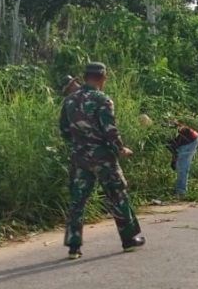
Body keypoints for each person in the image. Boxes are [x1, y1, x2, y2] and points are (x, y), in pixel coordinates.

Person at [59, 62, 145, 258]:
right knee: (118, 195)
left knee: (77, 201)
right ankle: (129, 240)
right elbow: (109, 131)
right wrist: (120, 149)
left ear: (85, 76)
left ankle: (74, 247)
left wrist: (80, 145)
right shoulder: (102, 100)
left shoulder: (70, 101)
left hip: (80, 158)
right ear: (101, 77)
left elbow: (64, 130)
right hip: (103, 158)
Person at [168, 121, 198, 198]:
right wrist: (174, 159)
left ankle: (181, 192)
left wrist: (174, 160)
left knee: (182, 167)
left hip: (189, 141)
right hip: (189, 140)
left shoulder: (163, 132)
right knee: (180, 166)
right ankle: (179, 190)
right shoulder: (162, 127)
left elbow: (174, 145)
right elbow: (174, 148)